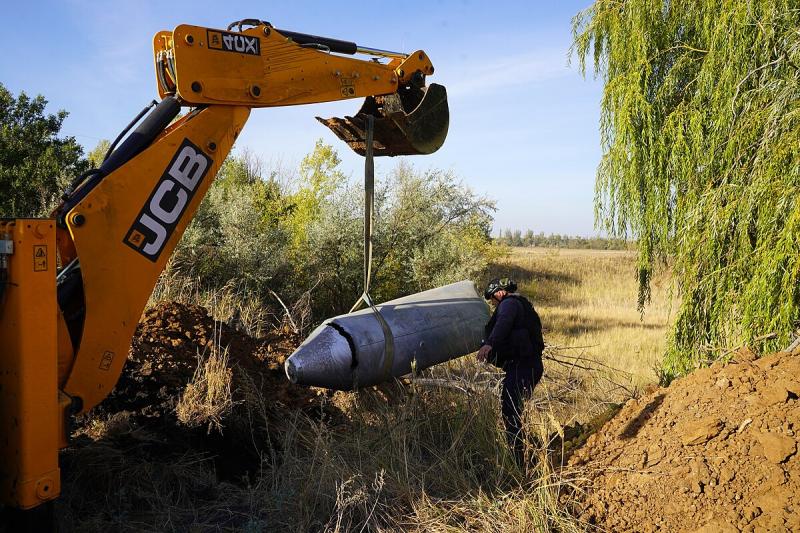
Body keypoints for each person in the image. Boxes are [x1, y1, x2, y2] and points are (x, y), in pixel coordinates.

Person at [477, 277, 545, 467]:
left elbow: (504, 322)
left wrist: (490, 343)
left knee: (511, 411)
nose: (493, 304)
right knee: (516, 411)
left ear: (499, 293)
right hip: (529, 365)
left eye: (492, 300)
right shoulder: (523, 305)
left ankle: (519, 459)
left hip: (522, 366)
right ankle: (526, 453)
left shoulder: (509, 305)